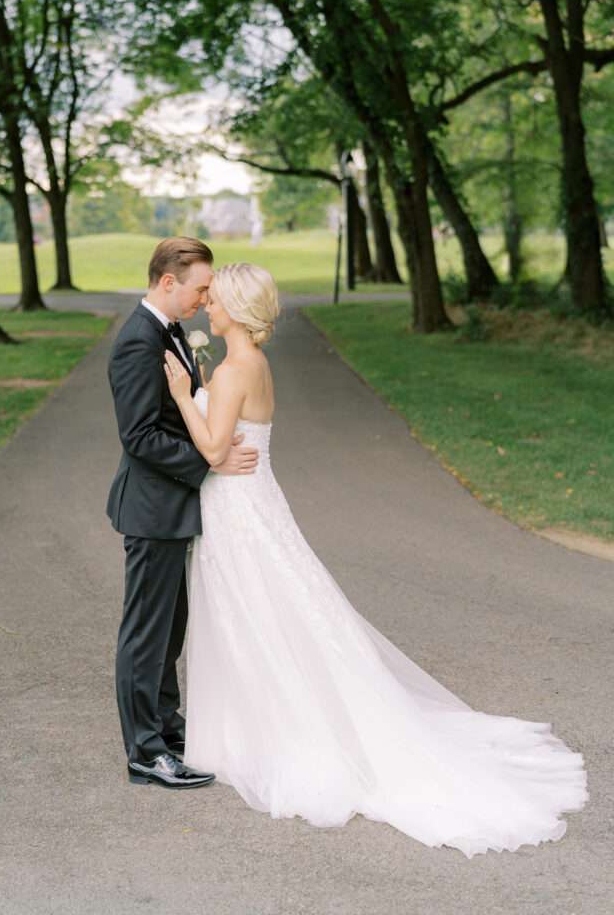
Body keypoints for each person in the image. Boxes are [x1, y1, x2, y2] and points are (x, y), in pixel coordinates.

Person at [162, 261, 589, 858]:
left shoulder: (234, 369)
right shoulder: (249, 365)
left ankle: (267, 734)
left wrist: (185, 395)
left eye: (216, 300)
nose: (207, 306)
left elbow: (212, 448)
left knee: (252, 612)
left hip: (238, 509)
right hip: (256, 501)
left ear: (235, 307)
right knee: (276, 608)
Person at [106, 238, 259, 790]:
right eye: (199, 288)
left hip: (175, 509)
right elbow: (140, 437)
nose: (204, 297)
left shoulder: (169, 331)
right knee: (145, 635)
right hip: (151, 510)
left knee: (170, 632)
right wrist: (211, 461)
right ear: (167, 282)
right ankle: (145, 752)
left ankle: (167, 729)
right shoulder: (137, 342)